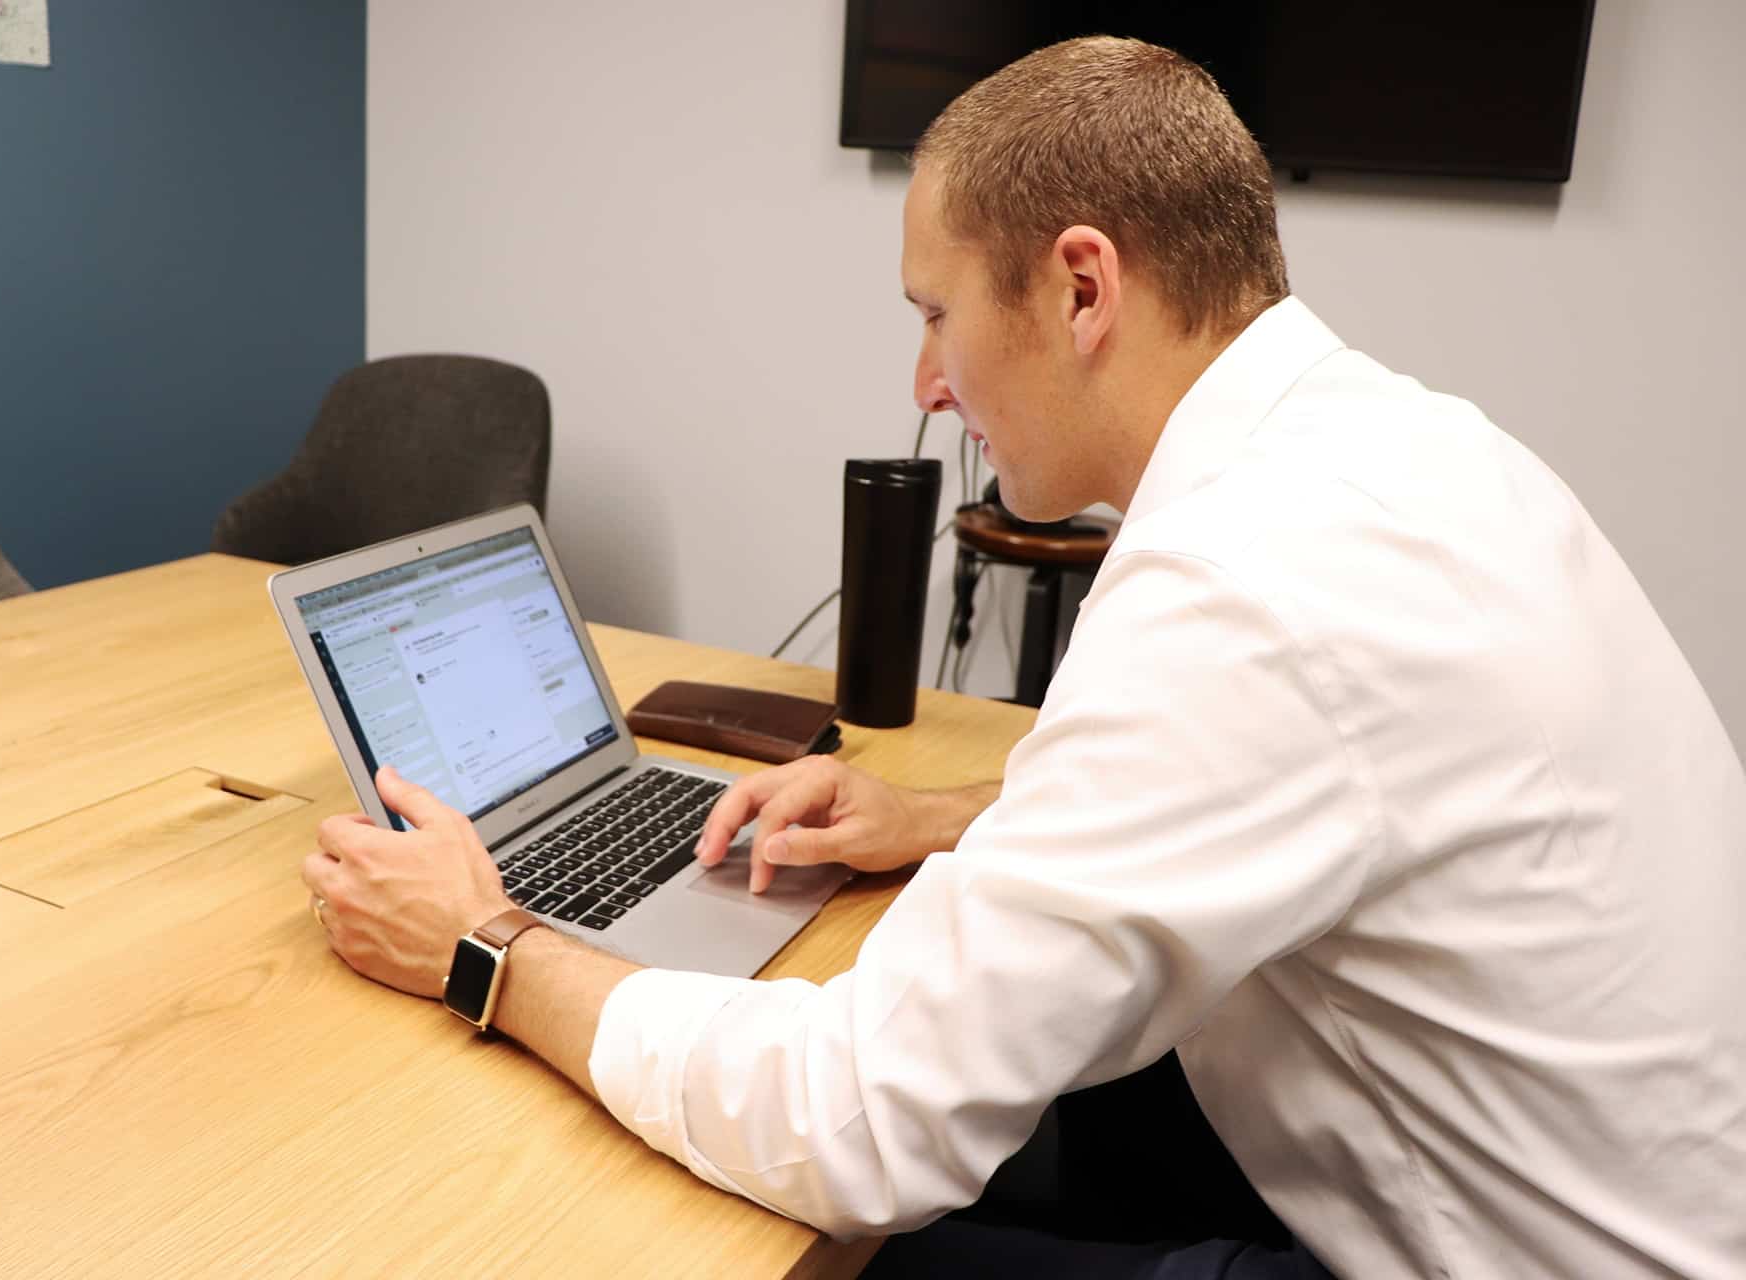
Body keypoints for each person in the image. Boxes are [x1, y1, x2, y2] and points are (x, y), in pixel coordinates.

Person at [300, 35, 1746, 1278]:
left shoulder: (1242, 584)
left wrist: (487, 949)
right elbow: (1274, 782)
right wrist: (936, 820)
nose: (927, 384)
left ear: (1080, 287)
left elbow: (861, 1125)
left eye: (937, 314)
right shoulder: (1397, 450)